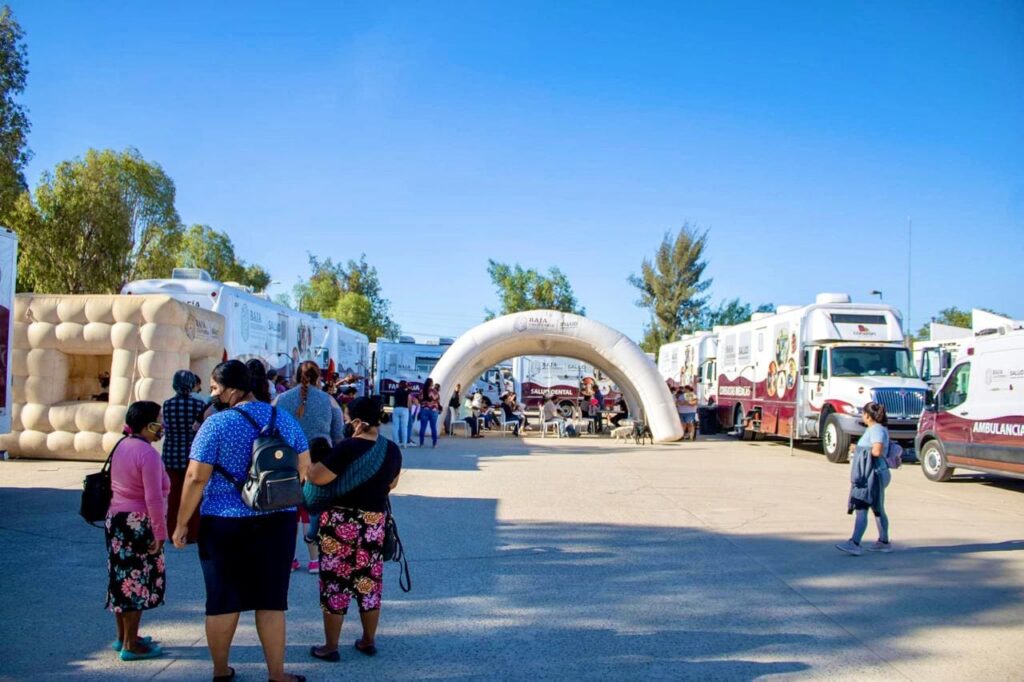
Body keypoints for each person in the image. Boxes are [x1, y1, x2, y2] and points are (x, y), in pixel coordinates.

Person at [172, 360, 311, 682]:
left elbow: (195, 478)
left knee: (222, 599)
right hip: (277, 521)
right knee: (272, 600)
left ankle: (221, 670)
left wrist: (181, 523)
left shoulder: (216, 425)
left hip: (224, 522)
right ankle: (277, 674)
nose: (212, 394)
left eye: (215, 388)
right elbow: (305, 468)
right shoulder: (282, 418)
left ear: (232, 390)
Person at [307, 397, 402, 662]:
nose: (347, 424)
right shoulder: (392, 450)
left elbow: (317, 477)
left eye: (348, 419)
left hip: (340, 523)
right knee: (369, 584)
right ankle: (368, 640)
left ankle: (330, 646)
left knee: (335, 583)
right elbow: (392, 484)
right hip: (373, 523)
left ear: (358, 422)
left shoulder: (346, 449)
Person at [106, 400, 169, 660]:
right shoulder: (148, 454)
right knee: (137, 583)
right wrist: (160, 532)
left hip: (117, 519)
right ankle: (131, 644)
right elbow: (153, 497)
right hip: (139, 521)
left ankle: (123, 637)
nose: (162, 426)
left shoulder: (122, 444)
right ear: (147, 425)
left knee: (121, 579)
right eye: (159, 421)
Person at [275, 361, 346, 574]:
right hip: (319, 462)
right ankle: (315, 560)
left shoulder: (281, 399)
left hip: (287, 462)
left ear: (296, 377)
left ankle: (288, 558)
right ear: (318, 378)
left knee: (288, 511)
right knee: (311, 510)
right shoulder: (329, 401)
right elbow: (338, 433)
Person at [836, 402, 893, 556]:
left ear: (868, 415)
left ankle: (855, 542)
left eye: (863, 413)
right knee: (877, 508)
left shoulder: (876, 430)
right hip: (873, 473)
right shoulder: (877, 429)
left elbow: (877, 451)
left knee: (861, 507)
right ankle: (883, 541)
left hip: (871, 474)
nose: (862, 416)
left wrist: (858, 449)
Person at [161, 370, 205, 544]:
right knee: (193, 496)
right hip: (192, 455)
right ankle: (193, 532)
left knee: (173, 497)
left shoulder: (167, 404)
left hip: (171, 454)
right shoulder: (198, 405)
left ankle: (172, 530)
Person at [417, 378, 441, 448]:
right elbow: (438, 401)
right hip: (433, 411)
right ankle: (434, 444)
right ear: (431, 383)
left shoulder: (422, 391)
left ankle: (421, 443)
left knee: (423, 427)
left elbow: (419, 400)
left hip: (424, 410)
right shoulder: (435, 392)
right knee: (433, 427)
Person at [391, 380, 411, 447]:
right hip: (404, 409)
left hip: (396, 408)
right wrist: (407, 386)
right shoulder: (406, 392)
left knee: (395, 427)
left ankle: (395, 442)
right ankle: (404, 443)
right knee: (404, 427)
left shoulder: (396, 391)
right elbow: (410, 389)